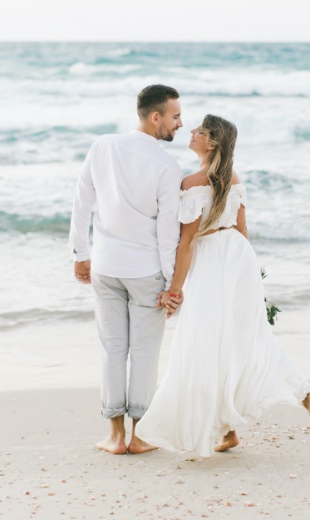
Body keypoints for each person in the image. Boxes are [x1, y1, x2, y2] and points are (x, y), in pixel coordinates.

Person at [135, 115, 310, 458]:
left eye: (198, 131)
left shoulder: (192, 182)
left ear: (210, 142)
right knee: (245, 338)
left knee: (205, 344)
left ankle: (216, 427)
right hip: (239, 258)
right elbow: (242, 232)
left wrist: (174, 289)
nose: (190, 132)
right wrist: (250, 276)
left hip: (211, 259)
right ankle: (256, 419)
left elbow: (186, 242)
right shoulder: (232, 179)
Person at [68, 84, 184, 455]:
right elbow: (168, 234)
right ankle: (140, 436)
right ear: (156, 117)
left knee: (112, 350)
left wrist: (80, 253)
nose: (180, 123)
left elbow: (82, 200)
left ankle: (115, 437)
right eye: (176, 116)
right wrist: (172, 284)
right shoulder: (167, 166)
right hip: (145, 271)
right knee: (145, 352)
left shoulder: (103, 145)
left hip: (105, 266)